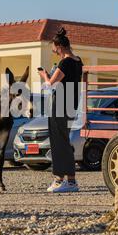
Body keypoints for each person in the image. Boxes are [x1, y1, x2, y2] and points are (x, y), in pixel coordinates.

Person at [38, 28, 83, 193]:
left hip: (61, 104)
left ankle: (59, 179)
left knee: (58, 141)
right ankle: (71, 181)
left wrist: (44, 75)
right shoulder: (79, 61)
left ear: (59, 46)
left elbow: (51, 83)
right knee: (65, 141)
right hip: (72, 104)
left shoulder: (65, 62)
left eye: (54, 49)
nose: (55, 52)